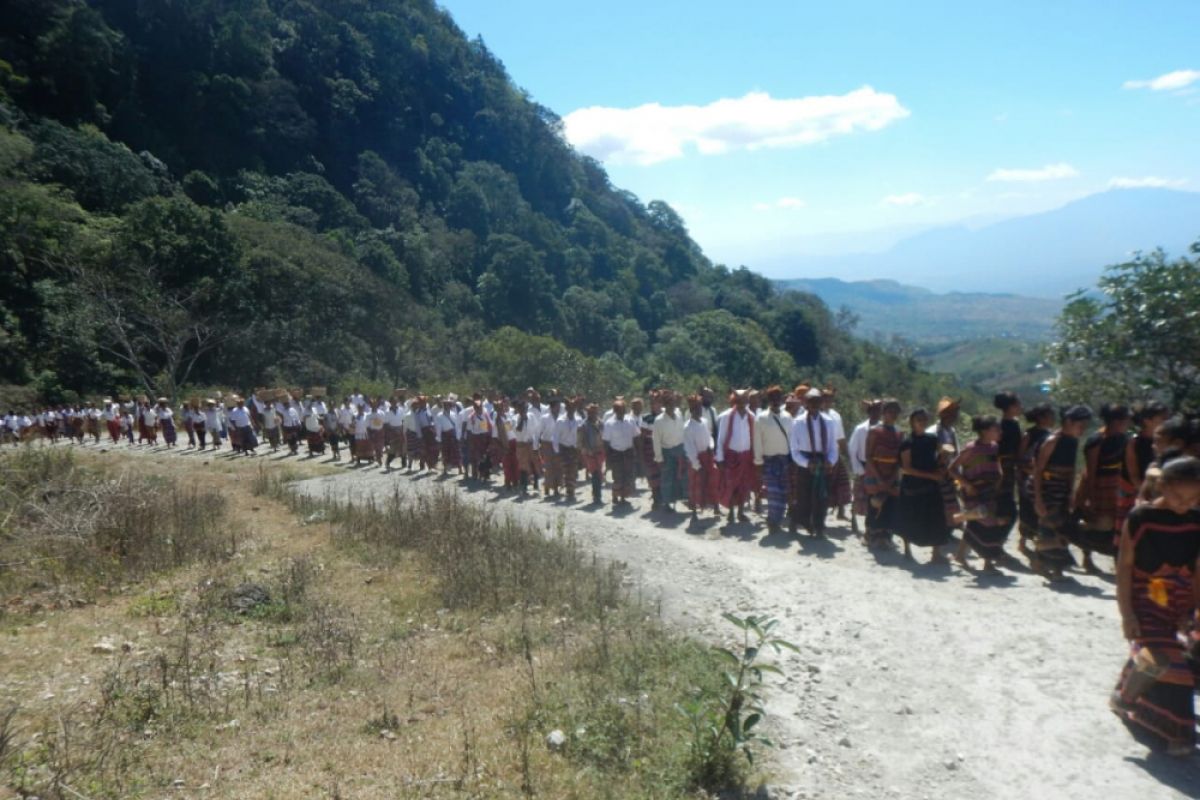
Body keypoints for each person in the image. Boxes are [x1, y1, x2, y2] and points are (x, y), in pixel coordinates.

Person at [1112, 456, 1200, 758]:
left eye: (1193, 499)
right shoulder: (1140, 518)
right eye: (1178, 496)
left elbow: (1197, 572)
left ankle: (1129, 689)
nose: (1184, 504)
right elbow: (1124, 567)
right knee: (1172, 667)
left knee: (1174, 658)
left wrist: (1191, 610)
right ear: (1162, 486)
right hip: (1145, 599)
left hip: (1177, 600)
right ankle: (1131, 700)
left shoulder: (1196, 521)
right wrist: (1127, 614)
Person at [1032, 405, 1093, 581]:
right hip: (1048, 491)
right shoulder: (1052, 441)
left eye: (1085, 426)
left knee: (1061, 527)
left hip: (1063, 492)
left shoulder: (1072, 441)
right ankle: (1048, 565)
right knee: (1050, 528)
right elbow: (1038, 470)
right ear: (1068, 422)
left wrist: (1072, 493)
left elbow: (1072, 468)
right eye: (1080, 425)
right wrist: (1038, 499)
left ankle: (1047, 564)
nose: (1082, 430)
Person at [950, 415, 1012, 572]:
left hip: (990, 491)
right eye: (995, 428)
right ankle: (989, 562)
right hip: (974, 493)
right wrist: (967, 485)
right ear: (984, 431)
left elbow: (996, 464)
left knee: (975, 522)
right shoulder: (971, 448)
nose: (999, 431)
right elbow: (952, 469)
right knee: (988, 522)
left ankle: (960, 555)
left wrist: (1000, 478)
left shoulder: (994, 447)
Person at [1074, 403, 1130, 573]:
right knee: (1095, 522)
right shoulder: (1097, 440)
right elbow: (1091, 470)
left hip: (1116, 484)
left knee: (1117, 524)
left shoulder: (1124, 438)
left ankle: (1116, 560)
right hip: (1098, 484)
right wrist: (1090, 496)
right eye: (1125, 419)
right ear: (1116, 421)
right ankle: (1087, 558)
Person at [896, 408, 952, 563]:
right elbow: (906, 468)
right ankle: (907, 550)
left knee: (937, 518)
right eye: (919, 419)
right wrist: (931, 475)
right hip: (913, 484)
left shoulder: (932, 439)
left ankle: (936, 554)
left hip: (931, 483)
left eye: (924, 419)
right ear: (912, 422)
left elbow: (938, 457)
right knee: (909, 517)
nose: (922, 422)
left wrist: (943, 458)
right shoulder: (907, 443)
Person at [789, 388, 839, 538]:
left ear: (822, 403)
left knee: (821, 496)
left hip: (823, 462)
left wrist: (831, 461)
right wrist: (805, 463)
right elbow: (794, 449)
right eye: (811, 401)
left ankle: (819, 526)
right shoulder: (798, 422)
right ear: (805, 403)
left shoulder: (829, 422)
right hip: (806, 461)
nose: (814, 405)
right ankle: (802, 521)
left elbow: (833, 446)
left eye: (817, 401)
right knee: (803, 495)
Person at [1120, 402, 1170, 532]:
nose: (1166, 422)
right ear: (1147, 421)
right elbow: (1133, 474)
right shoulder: (1134, 443)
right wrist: (1146, 493)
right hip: (1136, 491)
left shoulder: (1168, 442)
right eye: (1163, 419)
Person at [864, 399, 904, 549]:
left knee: (890, 505)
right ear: (883, 413)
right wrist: (879, 478)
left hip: (892, 474)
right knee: (874, 504)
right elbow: (868, 456)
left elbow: (900, 459)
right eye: (890, 411)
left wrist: (892, 477)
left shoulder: (899, 433)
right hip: (876, 473)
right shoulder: (874, 431)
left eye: (896, 412)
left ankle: (886, 536)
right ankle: (872, 535)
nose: (893, 415)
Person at [1017, 403, 1055, 558]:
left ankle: (1037, 542)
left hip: (1043, 479)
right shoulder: (1029, 435)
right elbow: (1019, 458)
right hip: (1027, 479)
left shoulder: (1051, 435)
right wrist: (1029, 469)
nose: (1053, 418)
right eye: (1049, 415)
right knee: (1028, 510)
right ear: (1041, 418)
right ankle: (1023, 542)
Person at [754, 386, 793, 533]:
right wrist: (758, 462)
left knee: (783, 492)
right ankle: (772, 520)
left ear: (782, 399)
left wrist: (793, 459)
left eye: (778, 398)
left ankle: (776, 518)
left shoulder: (788, 417)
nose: (775, 401)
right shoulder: (761, 418)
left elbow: (793, 440)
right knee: (772, 492)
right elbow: (757, 442)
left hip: (785, 460)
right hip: (768, 460)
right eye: (772, 399)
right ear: (768, 400)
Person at [716, 390, 756, 524]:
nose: (742, 403)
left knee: (744, 485)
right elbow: (721, 439)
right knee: (731, 485)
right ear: (735, 401)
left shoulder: (751, 416)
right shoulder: (727, 416)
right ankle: (731, 512)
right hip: (731, 456)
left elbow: (754, 438)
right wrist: (720, 459)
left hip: (746, 456)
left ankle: (741, 512)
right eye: (739, 400)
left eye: (744, 400)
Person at [847, 399, 882, 536]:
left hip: (879, 469)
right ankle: (854, 520)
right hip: (863, 466)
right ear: (869, 412)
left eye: (878, 411)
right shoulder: (860, 429)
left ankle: (873, 526)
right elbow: (852, 449)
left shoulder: (882, 429)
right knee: (859, 496)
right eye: (873, 411)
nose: (875, 414)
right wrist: (858, 469)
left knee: (875, 498)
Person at [683, 394, 719, 521]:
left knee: (712, 481)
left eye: (699, 407)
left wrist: (711, 445)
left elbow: (709, 437)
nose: (698, 410)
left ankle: (716, 507)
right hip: (696, 459)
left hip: (708, 456)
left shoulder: (704, 421)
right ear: (691, 410)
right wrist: (697, 465)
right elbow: (690, 448)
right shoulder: (687, 427)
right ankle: (694, 511)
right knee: (695, 484)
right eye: (696, 408)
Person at [652, 390, 688, 513]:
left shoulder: (678, 414)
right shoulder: (659, 420)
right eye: (669, 403)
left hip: (680, 449)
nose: (672, 406)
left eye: (673, 403)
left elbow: (683, 432)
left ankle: (680, 499)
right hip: (666, 451)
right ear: (665, 405)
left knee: (680, 477)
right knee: (667, 478)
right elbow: (656, 441)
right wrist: (659, 458)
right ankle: (666, 503)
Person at [822, 386, 852, 523]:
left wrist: (846, 452)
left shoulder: (835, 415)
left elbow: (840, 436)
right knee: (822, 485)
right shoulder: (815, 414)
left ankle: (841, 511)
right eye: (825, 399)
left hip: (835, 453)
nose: (828, 401)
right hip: (821, 454)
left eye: (830, 399)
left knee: (842, 482)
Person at [994, 391, 1023, 535]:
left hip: (1008, 469)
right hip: (1003, 469)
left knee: (1004, 501)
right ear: (1011, 407)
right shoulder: (1007, 426)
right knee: (1003, 503)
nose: (1020, 407)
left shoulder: (1006, 424)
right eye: (1018, 404)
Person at [603, 399, 639, 507]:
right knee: (617, 476)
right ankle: (615, 495)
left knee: (628, 475)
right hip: (616, 453)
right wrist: (608, 457)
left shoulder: (630, 420)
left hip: (628, 451)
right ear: (615, 411)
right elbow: (606, 441)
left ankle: (623, 496)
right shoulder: (609, 423)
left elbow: (636, 436)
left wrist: (637, 451)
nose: (621, 412)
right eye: (619, 410)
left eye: (623, 410)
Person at [935, 397, 962, 528]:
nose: (956, 416)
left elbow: (956, 450)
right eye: (953, 413)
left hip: (950, 470)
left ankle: (949, 524)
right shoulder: (935, 431)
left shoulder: (951, 431)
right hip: (940, 470)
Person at [552, 397, 580, 501]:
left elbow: (580, 435)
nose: (572, 409)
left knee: (574, 470)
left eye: (573, 407)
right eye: (569, 407)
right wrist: (557, 452)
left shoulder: (578, 420)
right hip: (564, 449)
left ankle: (570, 489)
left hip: (574, 449)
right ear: (567, 408)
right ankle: (570, 492)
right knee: (568, 471)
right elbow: (555, 438)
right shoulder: (560, 421)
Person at [538, 398, 561, 496]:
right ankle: (547, 486)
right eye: (557, 406)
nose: (559, 408)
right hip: (547, 444)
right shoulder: (544, 418)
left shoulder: (561, 418)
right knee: (548, 467)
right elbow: (539, 431)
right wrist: (538, 446)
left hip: (558, 444)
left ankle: (556, 488)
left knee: (558, 467)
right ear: (552, 407)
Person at [437, 396, 463, 476]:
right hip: (445, 435)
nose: (447, 406)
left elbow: (457, 425)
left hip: (453, 435)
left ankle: (460, 469)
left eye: (448, 405)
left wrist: (458, 436)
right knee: (445, 453)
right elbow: (438, 428)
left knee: (457, 452)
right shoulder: (439, 415)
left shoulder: (453, 414)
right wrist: (439, 439)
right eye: (445, 405)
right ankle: (445, 469)